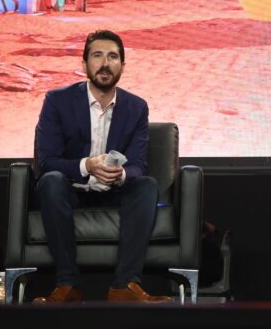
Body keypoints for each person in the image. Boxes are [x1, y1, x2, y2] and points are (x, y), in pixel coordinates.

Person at [33, 30, 171, 304]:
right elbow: (46, 162)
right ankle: (67, 286)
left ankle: (124, 286)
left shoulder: (137, 107)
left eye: (113, 57)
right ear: (84, 64)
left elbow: (138, 164)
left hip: (114, 192)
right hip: (71, 190)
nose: (105, 64)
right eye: (97, 56)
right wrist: (88, 165)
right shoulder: (57, 101)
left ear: (122, 65)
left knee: (146, 185)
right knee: (50, 181)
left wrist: (120, 174)